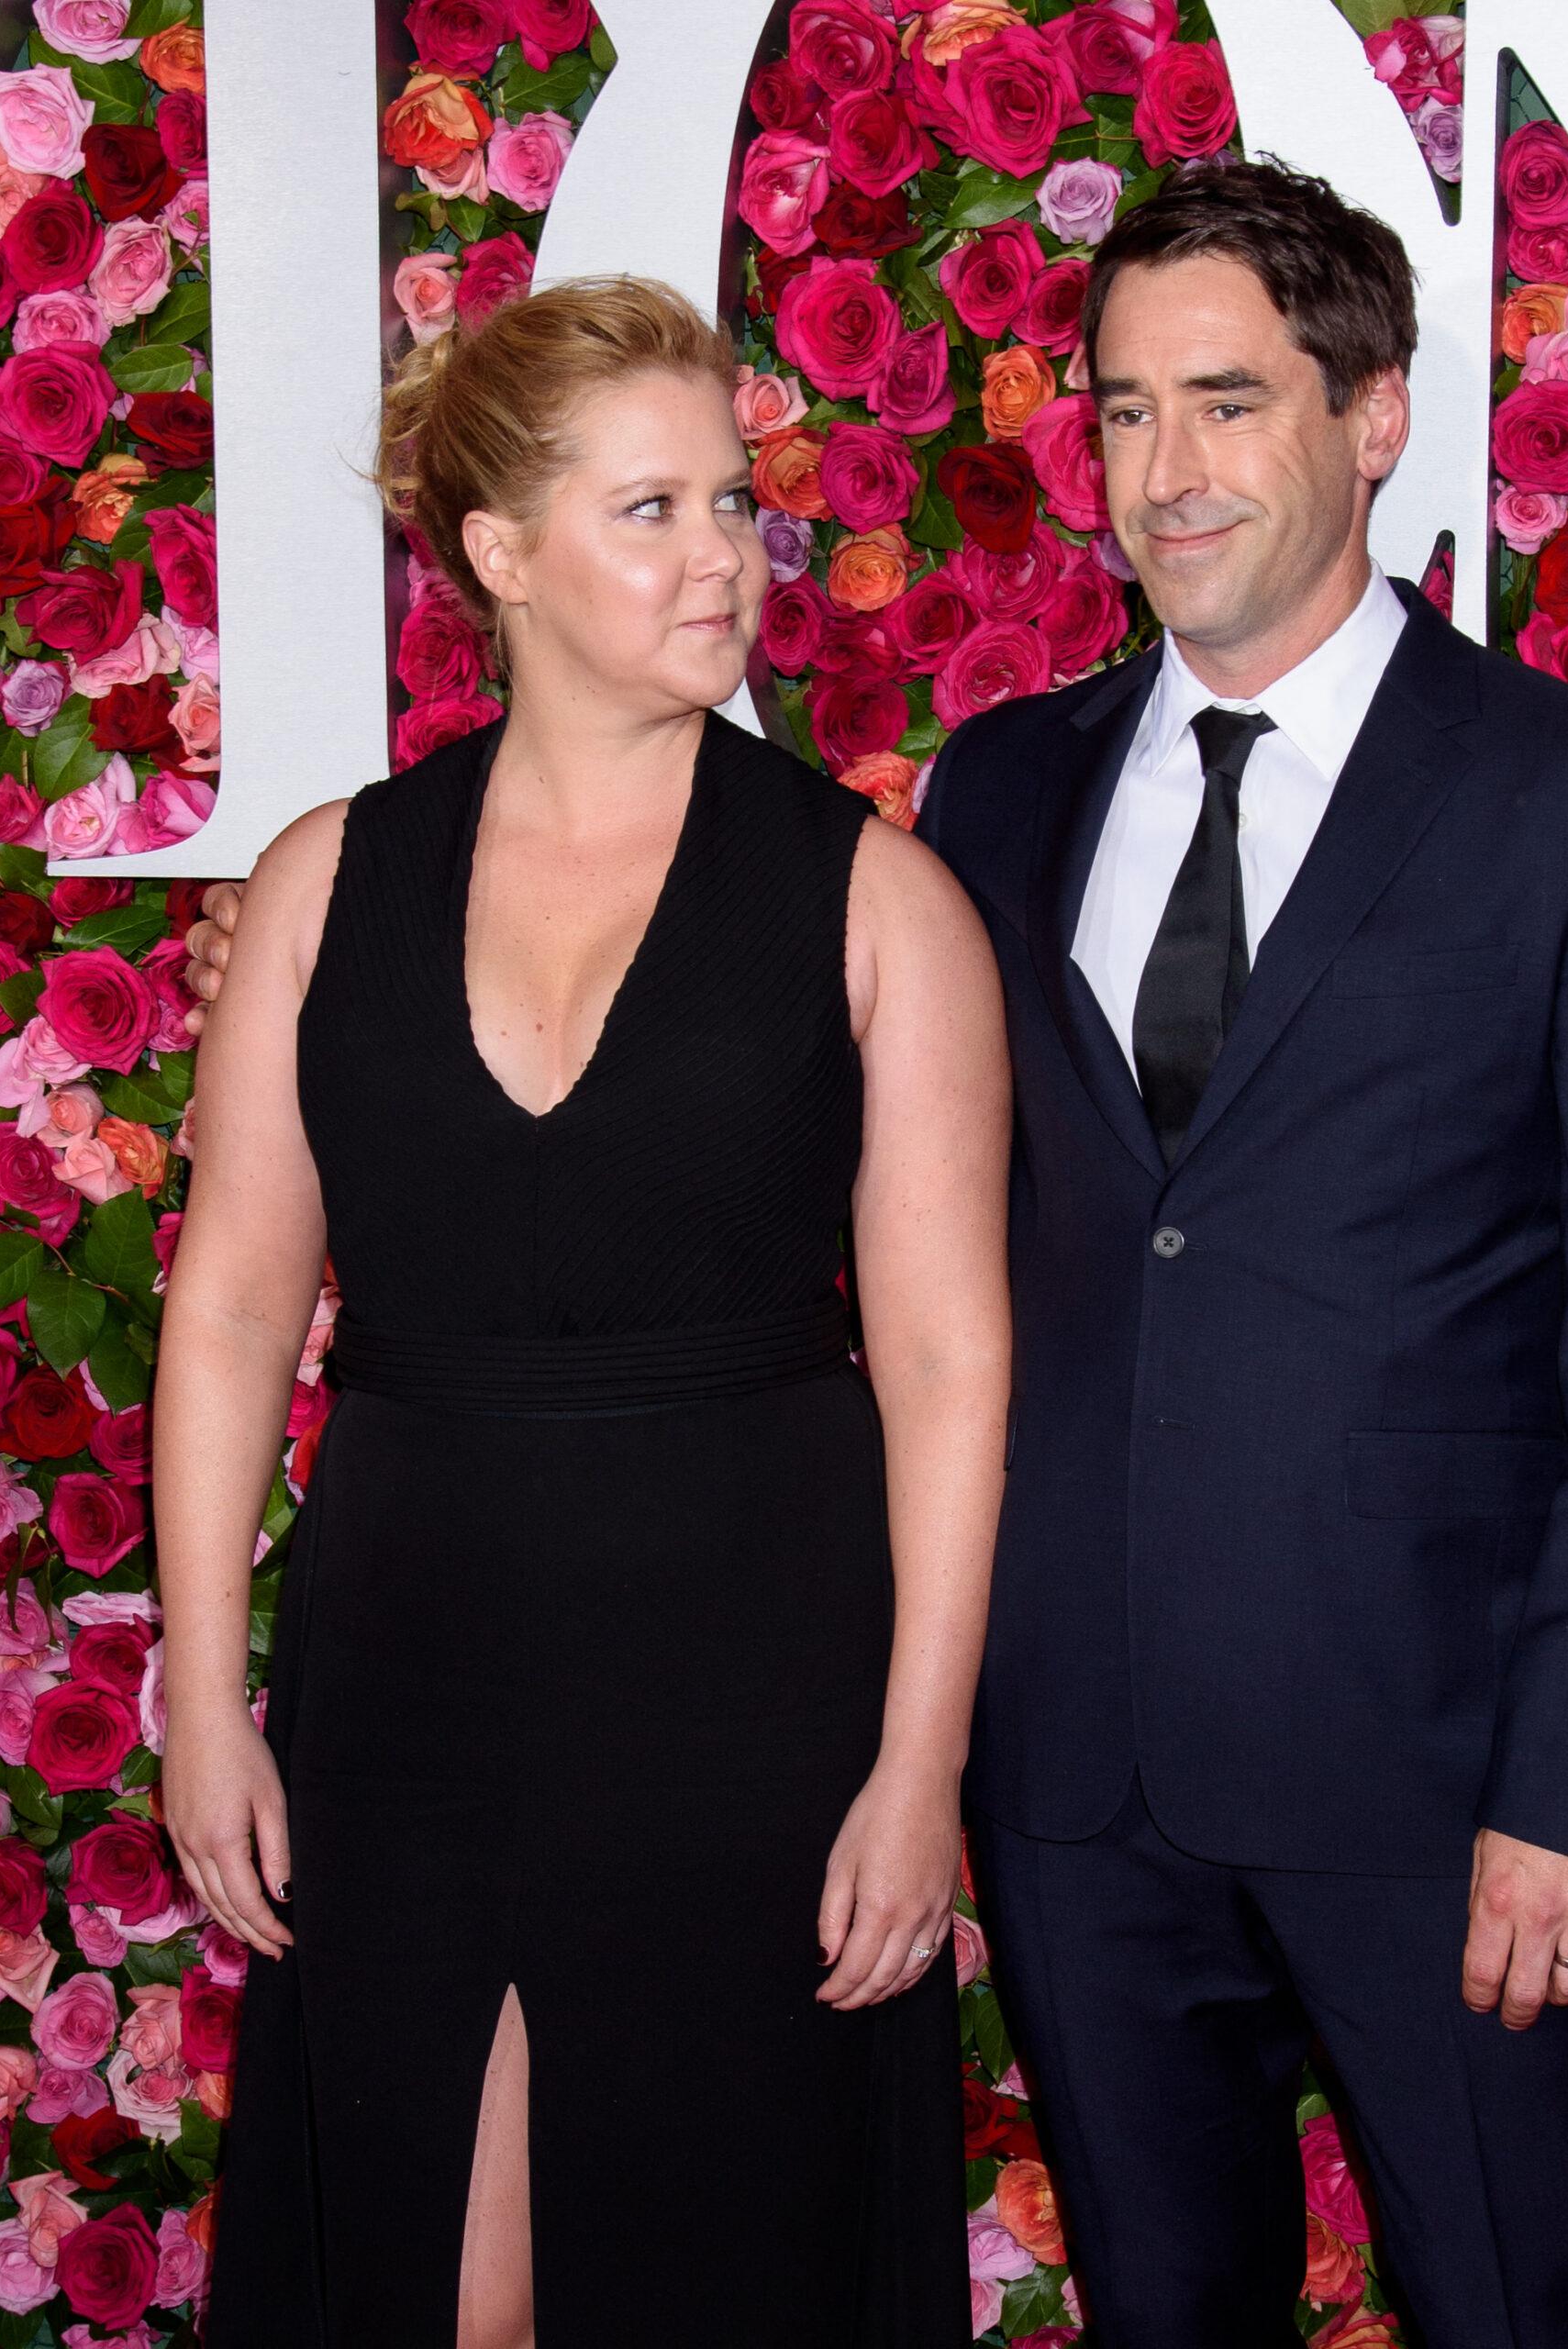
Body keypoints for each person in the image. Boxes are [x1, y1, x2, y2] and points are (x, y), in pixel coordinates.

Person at [913, 162, 1568, 2344]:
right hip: (1075, 1764)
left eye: (1225, 402)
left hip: (1445, 1779)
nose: (1163, 473)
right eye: (1119, 412)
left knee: (1514, 2307)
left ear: (1371, 415)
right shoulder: (994, 788)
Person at [155, 274, 1006, 2348]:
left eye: (736, 502)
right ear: (498, 554)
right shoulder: (324, 879)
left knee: (719, 2258)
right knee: (442, 2275)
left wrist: (919, 1766)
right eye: (653, 511)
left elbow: (949, 1362)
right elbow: (235, 1304)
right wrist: (198, 1690)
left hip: (752, 1686)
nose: (724, 555)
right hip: (408, 1669)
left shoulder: (873, 892)